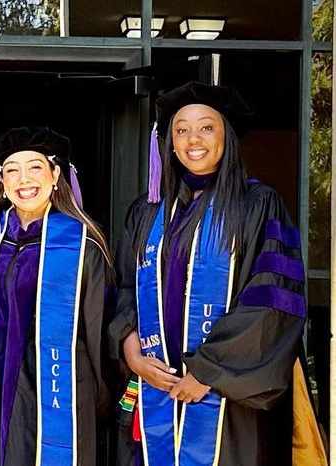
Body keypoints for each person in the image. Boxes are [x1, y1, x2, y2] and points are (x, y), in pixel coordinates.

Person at [108, 81, 323, 465]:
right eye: (181, 129)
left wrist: (208, 372)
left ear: (227, 136)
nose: (194, 139)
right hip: (157, 389)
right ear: (170, 143)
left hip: (230, 402)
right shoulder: (147, 212)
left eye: (207, 127)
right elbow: (125, 286)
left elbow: (272, 300)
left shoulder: (258, 205)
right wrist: (132, 348)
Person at [0, 127, 114, 466]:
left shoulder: (82, 244)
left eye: (35, 167)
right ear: (2, 179)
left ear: (55, 175)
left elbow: (98, 325)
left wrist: (95, 395)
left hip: (54, 379)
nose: (23, 179)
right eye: (12, 169)